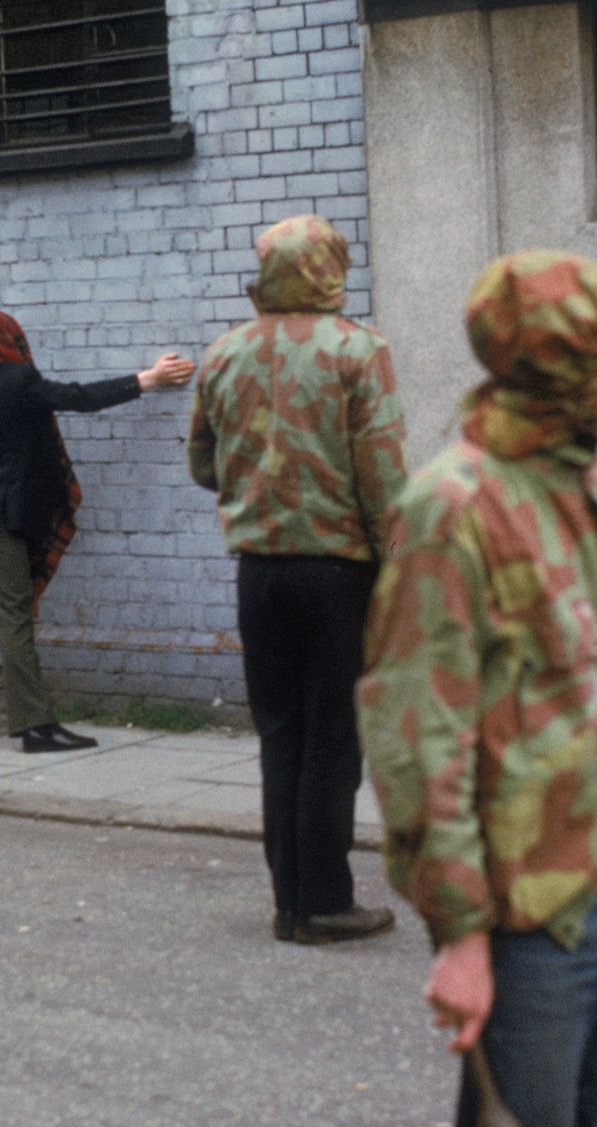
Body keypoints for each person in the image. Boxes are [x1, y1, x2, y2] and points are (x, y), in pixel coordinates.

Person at [359, 250, 597, 1127]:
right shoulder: (452, 507)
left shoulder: (587, 483)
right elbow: (419, 738)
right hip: (524, 915)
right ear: (533, 359)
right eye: (596, 353)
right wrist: (458, 935)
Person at [190, 213, 406, 945]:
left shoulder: (224, 353)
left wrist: (256, 484)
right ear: (328, 266)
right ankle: (323, 902)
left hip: (259, 574)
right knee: (333, 740)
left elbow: (202, 465)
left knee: (280, 735)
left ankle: (290, 899)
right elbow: (381, 474)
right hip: (337, 573)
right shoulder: (357, 350)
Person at [0, 309, 193, 754]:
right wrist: (149, 378)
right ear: (12, 340)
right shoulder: (19, 382)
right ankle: (34, 727)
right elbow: (79, 397)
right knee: (14, 620)